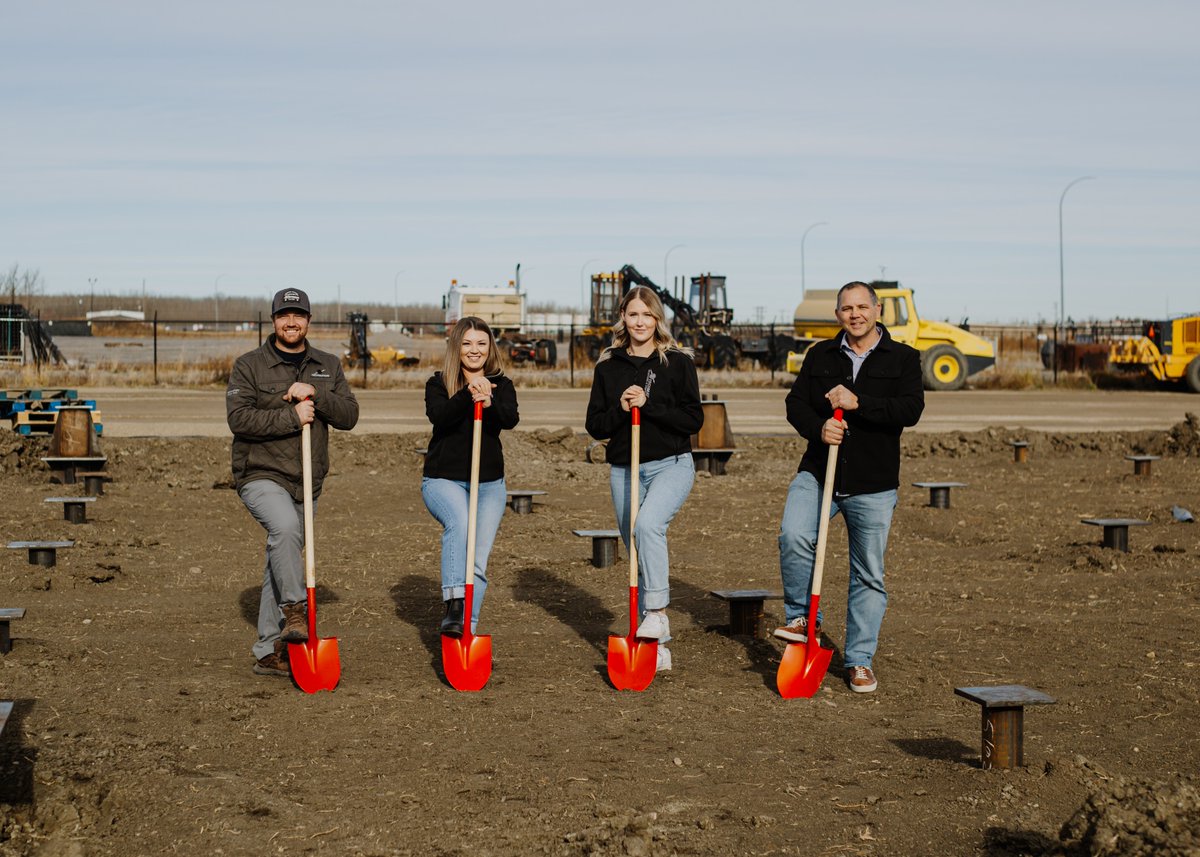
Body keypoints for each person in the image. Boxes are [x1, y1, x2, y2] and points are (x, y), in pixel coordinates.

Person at [774, 281, 924, 693]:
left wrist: (860, 403)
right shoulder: (819, 354)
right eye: (846, 308)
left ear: (878, 310)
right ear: (837, 314)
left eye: (862, 307)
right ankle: (802, 619)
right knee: (794, 535)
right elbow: (795, 405)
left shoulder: (904, 358)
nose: (854, 314)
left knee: (868, 574)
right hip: (819, 472)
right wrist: (818, 427)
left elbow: (910, 410)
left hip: (873, 483)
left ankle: (859, 661)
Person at [226, 288, 360, 678]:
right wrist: (292, 416)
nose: (291, 322)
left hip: (307, 478)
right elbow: (240, 420)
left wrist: (316, 394)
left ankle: (269, 650)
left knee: (280, 555)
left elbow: (350, 415)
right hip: (260, 472)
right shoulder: (249, 365)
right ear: (273, 321)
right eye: (283, 315)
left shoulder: (328, 365)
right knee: (284, 529)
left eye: (298, 315)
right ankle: (296, 612)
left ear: (308, 321)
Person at [586, 287, 703, 672]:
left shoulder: (678, 363)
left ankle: (657, 613)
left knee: (648, 526)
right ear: (623, 316)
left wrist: (649, 406)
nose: (640, 322)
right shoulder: (608, 368)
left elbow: (692, 420)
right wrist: (621, 409)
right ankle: (656, 642)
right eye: (633, 314)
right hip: (624, 468)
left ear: (657, 319)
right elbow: (594, 425)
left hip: (671, 463)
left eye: (647, 315)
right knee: (637, 550)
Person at [423, 317, 519, 637]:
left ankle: (467, 630)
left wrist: (488, 402)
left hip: (489, 484)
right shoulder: (438, 383)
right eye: (466, 343)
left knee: (477, 559)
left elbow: (510, 419)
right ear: (456, 347)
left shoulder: (501, 384)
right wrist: (467, 395)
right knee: (460, 524)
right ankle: (454, 604)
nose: (474, 350)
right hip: (443, 480)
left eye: (481, 343)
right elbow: (441, 418)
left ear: (490, 347)